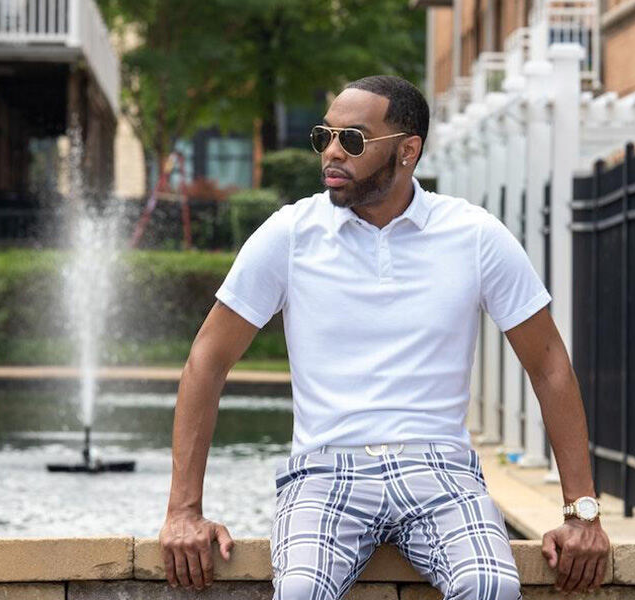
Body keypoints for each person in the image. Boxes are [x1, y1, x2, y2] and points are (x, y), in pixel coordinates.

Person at [158, 74, 611, 599]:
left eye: (352, 140)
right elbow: (207, 359)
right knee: (300, 591)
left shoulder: (474, 235)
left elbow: (549, 364)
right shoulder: (290, 233)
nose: (332, 152)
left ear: (407, 151)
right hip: (324, 471)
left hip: (441, 470)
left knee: (490, 585)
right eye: (324, 136)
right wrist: (183, 511)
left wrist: (582, 513)